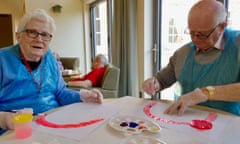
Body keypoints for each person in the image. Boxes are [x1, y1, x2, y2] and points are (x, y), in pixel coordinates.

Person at [0, 9, 103, 133]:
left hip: (53, 121)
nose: (39, 39)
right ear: (18, 36)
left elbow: (60, 93)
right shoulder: (2, 59)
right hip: (16, 128)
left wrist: (82, 96)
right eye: (32, 32)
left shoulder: (50, 58)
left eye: (45, 35)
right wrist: (4, 119)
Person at [142, 0, 240, 116]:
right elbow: (162, 80)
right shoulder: (183, 53)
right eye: (191, 33)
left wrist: (206, 93)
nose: (195, 39)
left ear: (222, 27)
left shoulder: (237, 44)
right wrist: (153, 83)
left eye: (202, 35)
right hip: (185, 123)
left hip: (228, 126)